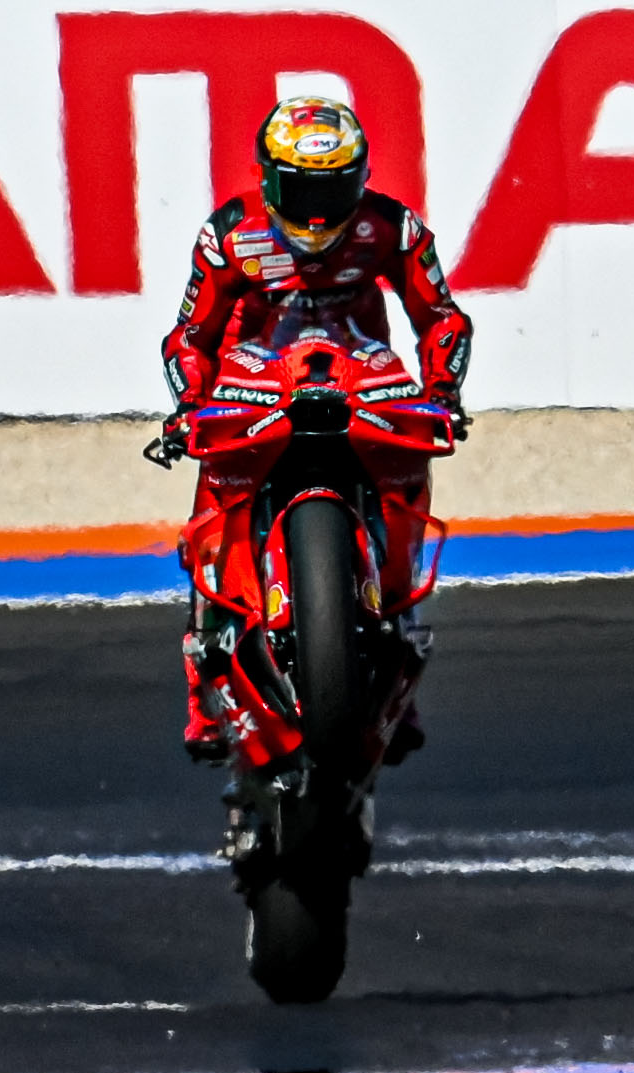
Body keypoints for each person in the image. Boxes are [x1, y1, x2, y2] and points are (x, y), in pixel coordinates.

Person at [152, 98, 472, 760]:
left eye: (334, 188)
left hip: (361, 368)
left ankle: (398, 658)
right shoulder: (229, 235)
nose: (319, 211)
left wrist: (442, 391)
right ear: (270, 180)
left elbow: (441, 317)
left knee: (409, 469)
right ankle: (203, 684)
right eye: (303, 189)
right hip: (256, 374)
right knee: (213, 495)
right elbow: (190, 337)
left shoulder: (394, 228)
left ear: (360, 180)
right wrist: (189, 405)